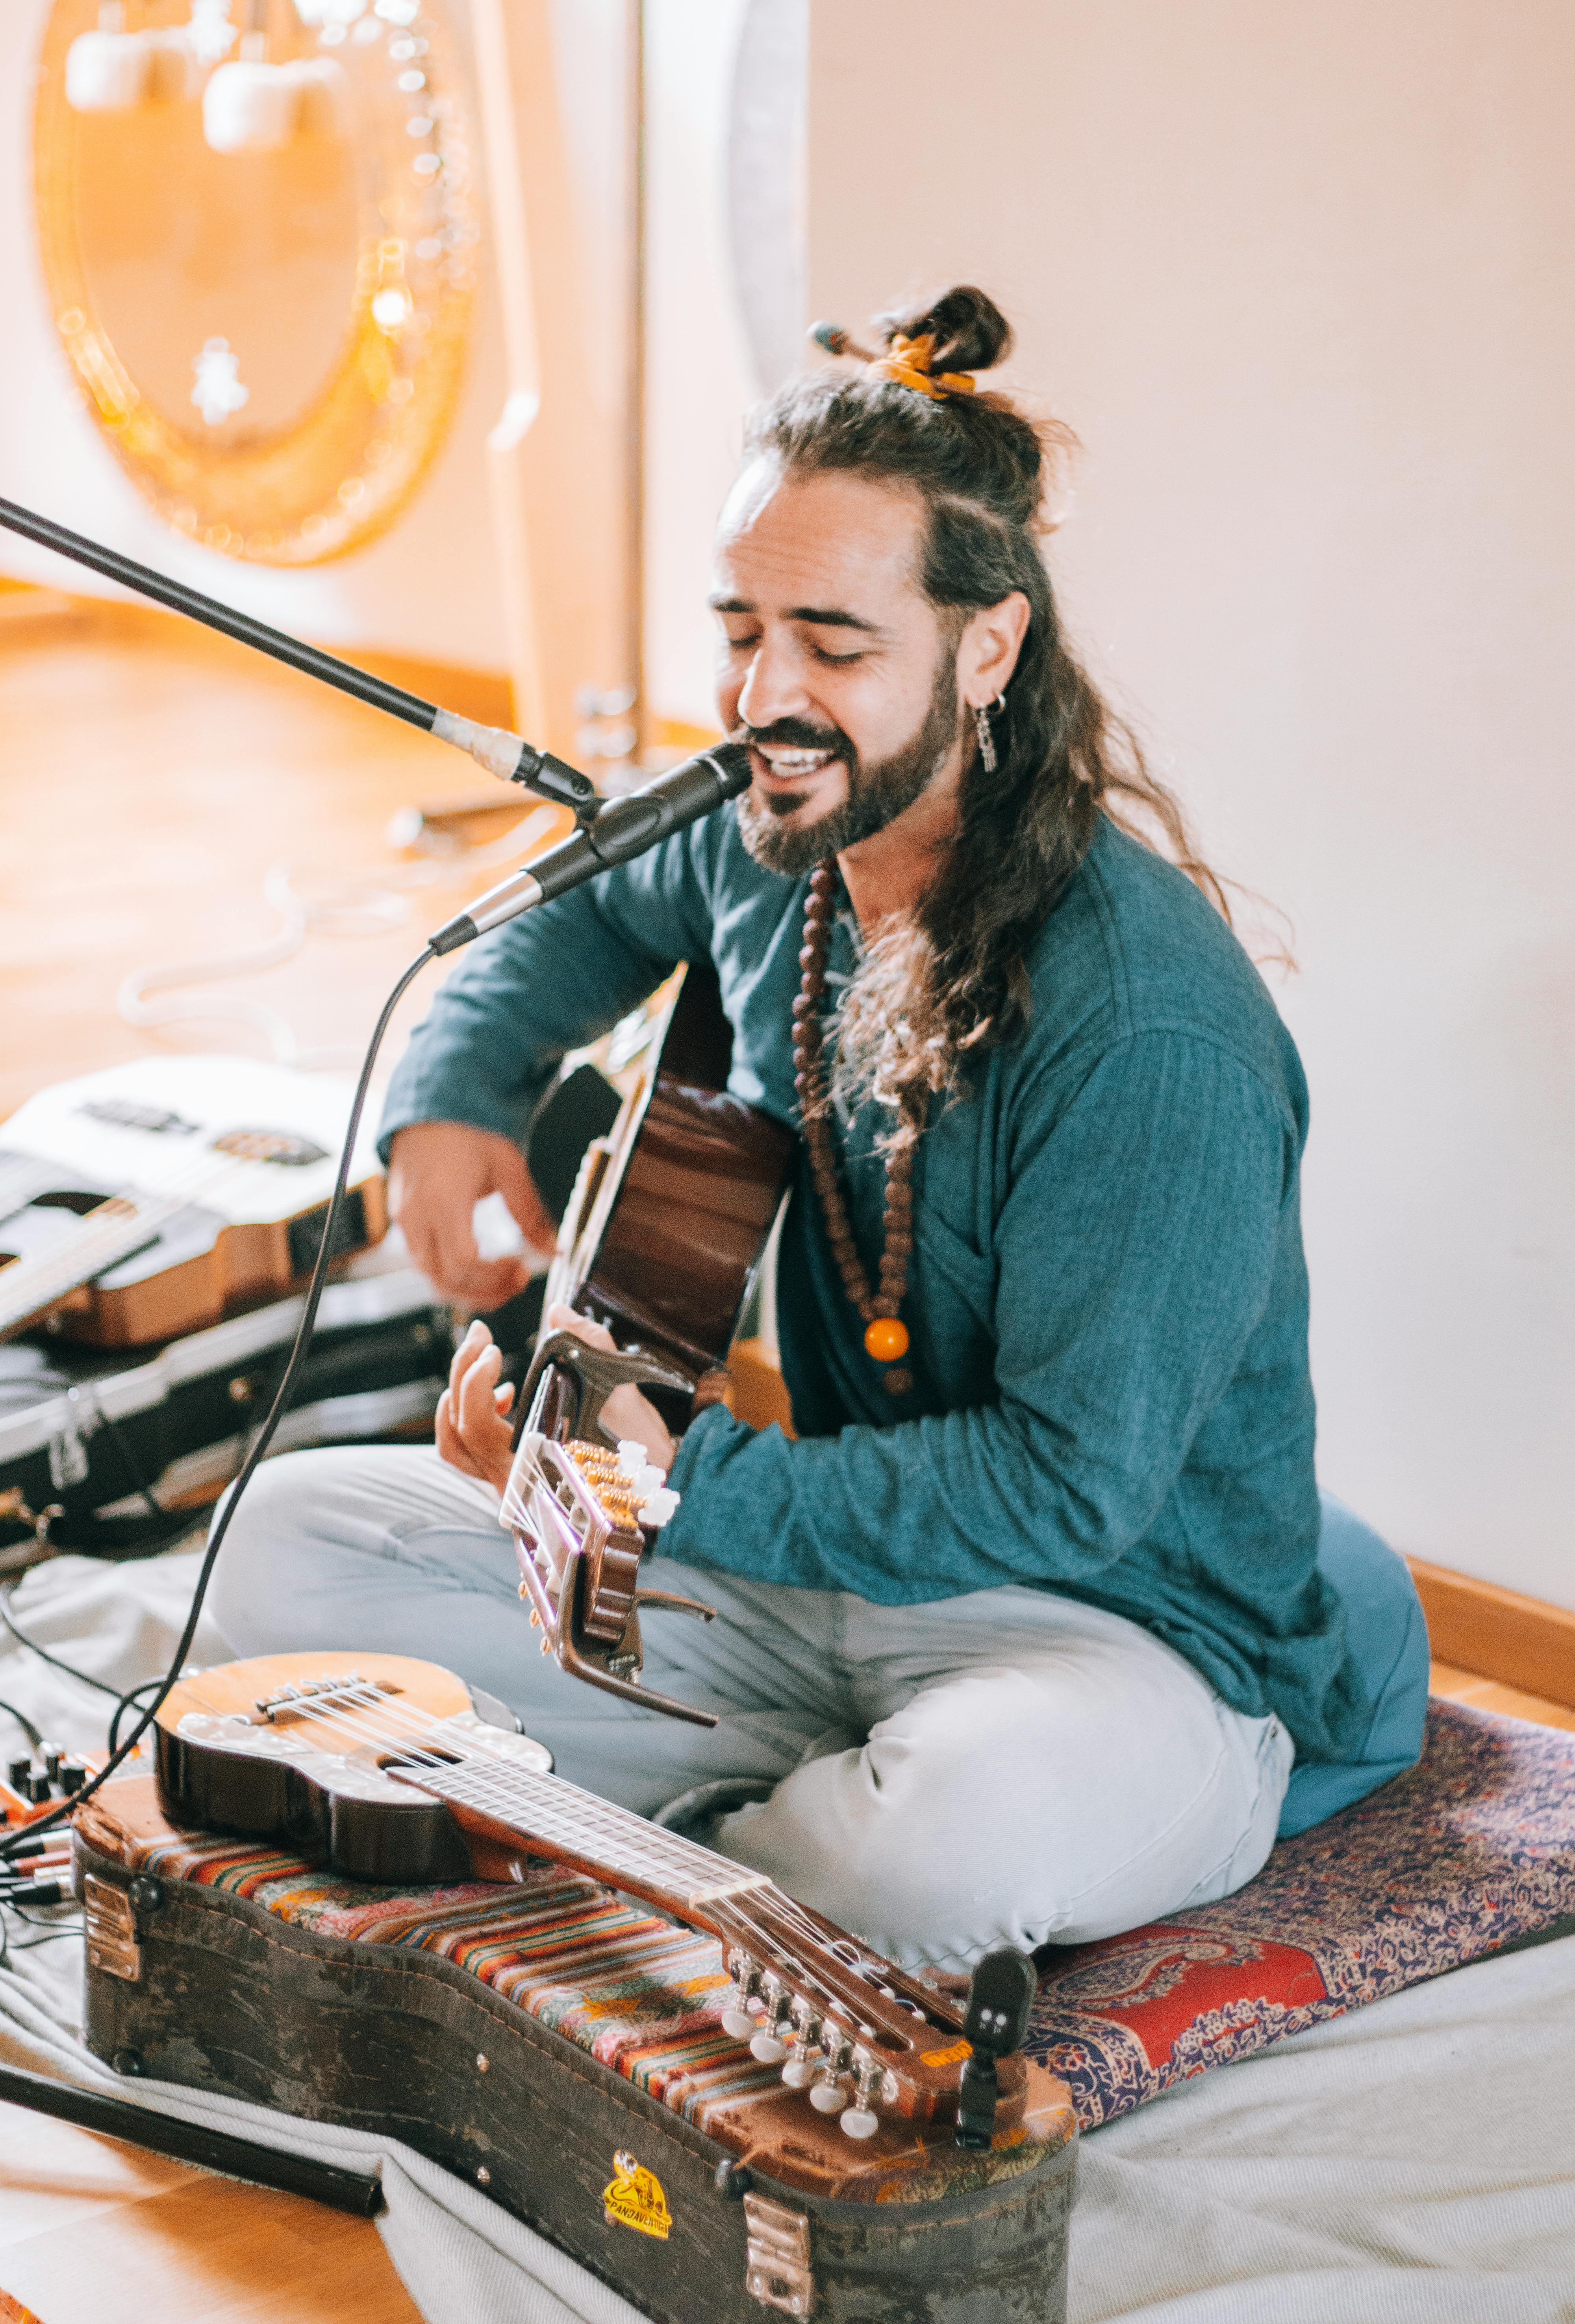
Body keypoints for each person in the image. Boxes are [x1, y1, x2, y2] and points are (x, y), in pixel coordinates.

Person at [209, 286, 1429, 1973]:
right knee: (278, 1561)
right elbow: (572, 924)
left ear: (983, 647)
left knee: (938, 1850)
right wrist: (451, 1097)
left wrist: (667, 1494)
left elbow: (1065, 1492)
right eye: (738, 630)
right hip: (819, 1580)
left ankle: (772, 1832)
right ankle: (779, 1828)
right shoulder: (770, 826)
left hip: (1128, 1639)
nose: (762, 694)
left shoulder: (1152, 1032)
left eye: (834, 646)